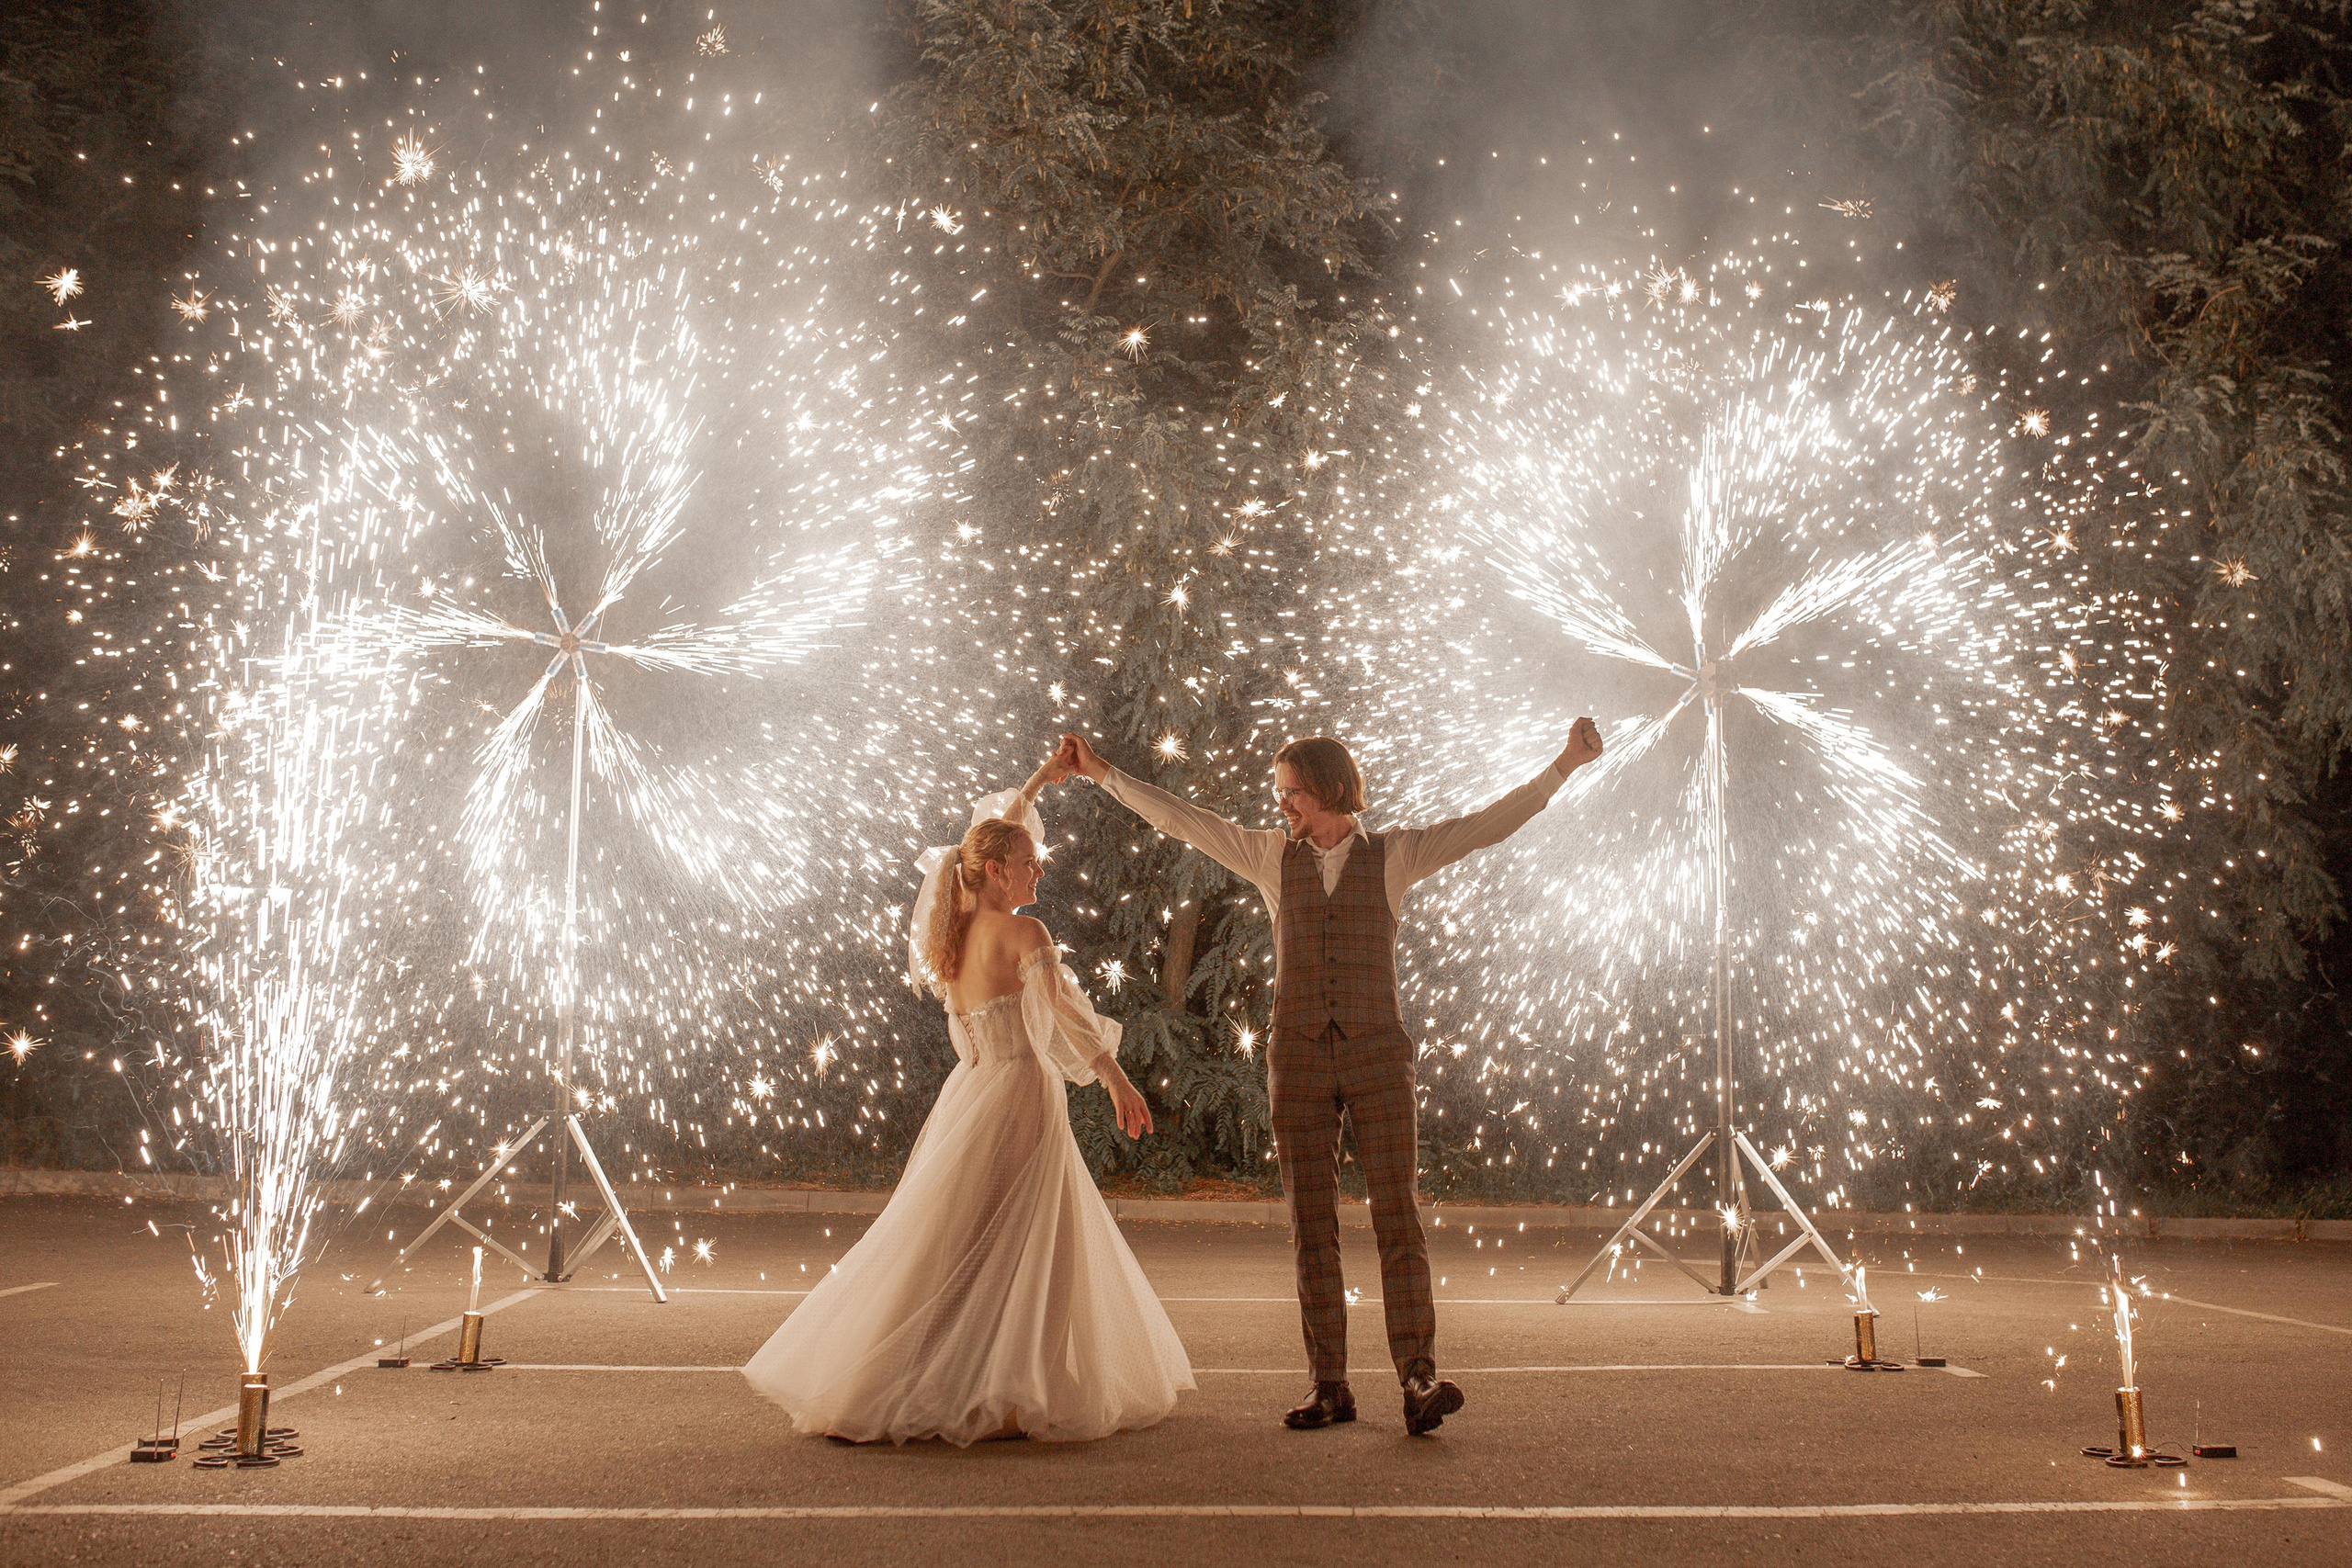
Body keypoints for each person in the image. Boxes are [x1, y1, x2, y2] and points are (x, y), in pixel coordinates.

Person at [1057, 719, 1605, 1435]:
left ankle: (1418, 1378)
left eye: (1292, 792)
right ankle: (1329, 1384)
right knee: (1310, 1225)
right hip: (1301, 1057)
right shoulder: (1265, 855)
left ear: (1329, 790)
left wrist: (1564, 762)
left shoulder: (1397, 853)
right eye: (1280, 793)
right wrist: (1102, 770)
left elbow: (1487, 824)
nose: (1282, 804)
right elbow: (1182, 820)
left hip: (1380, 1055)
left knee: (1398, 1217)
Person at [741, 750, 1193, 1444]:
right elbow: (1065, 1017)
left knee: (959, 1233)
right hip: (1021, 1093)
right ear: (993, 870)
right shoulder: (1025, 933)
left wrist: (1042, 779)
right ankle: (1015, 1382)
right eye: (1028, 860)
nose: (1039, 867)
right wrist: (1115, 1076)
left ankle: (921, 1369)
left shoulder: (953, 933)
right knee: (1034, 1237)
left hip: (972, 1091)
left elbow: (988, 837)